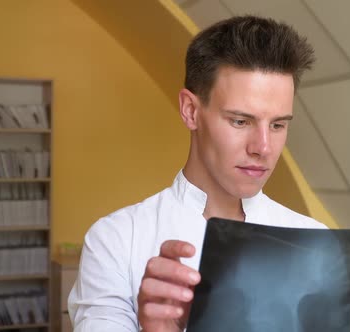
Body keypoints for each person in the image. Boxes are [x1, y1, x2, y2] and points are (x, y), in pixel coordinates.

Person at [68, 15, 326, 332]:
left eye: (277, 125)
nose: (263, 147)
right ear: (191, 111)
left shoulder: (316, 243)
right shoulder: (115, 241)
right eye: (240, 121)